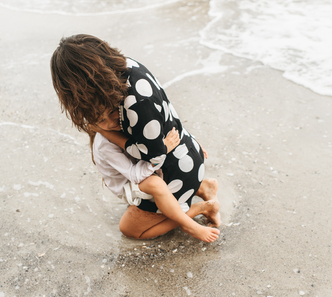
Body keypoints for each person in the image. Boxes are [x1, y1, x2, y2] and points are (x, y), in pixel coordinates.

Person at [50, 34, 221, 242]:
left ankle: (195, 213)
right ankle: (203, 187)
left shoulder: (132, 105)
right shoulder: (128, 67)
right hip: (188, 153)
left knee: (130, 229)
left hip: (175, 175)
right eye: (101, 119)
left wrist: (104, 131)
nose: (111, 121)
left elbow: (154, 158)